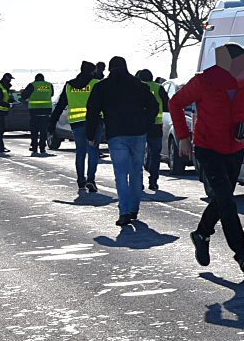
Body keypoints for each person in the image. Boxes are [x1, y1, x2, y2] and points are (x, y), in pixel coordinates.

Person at [169, 43, 244, 277]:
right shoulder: (203, 81)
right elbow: (175, 103)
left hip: (235, 147)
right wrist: (183, 137)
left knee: (224, 199)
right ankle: (241, 253)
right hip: (207, 147)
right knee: (225, 199)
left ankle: (201, 233)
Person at [88, 56, 159, 227]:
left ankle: (124, 211)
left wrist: (91, 134)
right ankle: (134, 209)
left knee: (120, 173)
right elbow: (154, 106)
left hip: (116, 134)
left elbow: (92, 110)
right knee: (136, 172)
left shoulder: (102, 87)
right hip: (138, 134)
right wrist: (145, 123)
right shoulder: (139, 85)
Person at [49, 61, 100, 196]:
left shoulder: (69, 85)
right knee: (93, 151)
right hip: (93, 123)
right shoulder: (95, 83)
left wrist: (52, 122)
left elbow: (60, 105)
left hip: (76, 123)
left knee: (80, 152)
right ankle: (91, 180)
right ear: (92, 71)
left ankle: (80, 181)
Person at [137, 68, 168, 190]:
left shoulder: (136, 87)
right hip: (156, 126)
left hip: (140, 126)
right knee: (155, 154)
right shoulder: (158, 87)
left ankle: (138, 181)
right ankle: (153, 180)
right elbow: (167, 104)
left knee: (138, 154)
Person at [22, 73, 53, 156]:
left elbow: (24, 96)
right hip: (46, 111)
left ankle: (34, 147)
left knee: (34, 131)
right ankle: (42, 148)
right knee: (43, 131)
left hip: (34, 112)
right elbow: (52, 94)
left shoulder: (32, 85)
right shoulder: (49, 85)